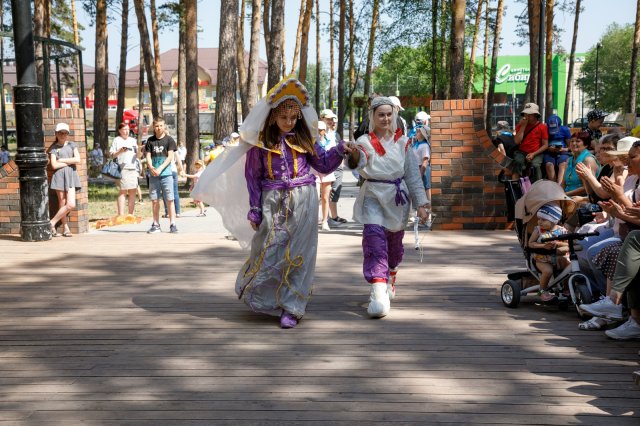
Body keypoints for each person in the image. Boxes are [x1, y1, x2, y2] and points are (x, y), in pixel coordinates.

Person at [235, 77, 345, 328]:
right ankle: (268, 299)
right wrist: (254, 210)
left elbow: (324, 164)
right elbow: (253, 176)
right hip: (272, 201)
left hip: (304, 198)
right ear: (273, 116)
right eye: (284, 117)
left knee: (301, 253)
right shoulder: (260, 144)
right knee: (268, 248)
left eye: (294, 117)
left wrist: (340, 149)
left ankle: (293, 306)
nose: (289, 122)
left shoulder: (305, 140)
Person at [345, 96, 430, 318]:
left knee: (393, 246)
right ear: (373, 116)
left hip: (397, 198)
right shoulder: (364, 141)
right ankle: (377, 289)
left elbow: (412, 174)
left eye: (388, 114)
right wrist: (353, 154)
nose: (385, 118)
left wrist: (421, 203)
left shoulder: (403, 143)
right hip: (373, 194)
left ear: (394, 116)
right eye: (380, 114)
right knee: (374, 239)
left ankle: (391, 273)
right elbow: (358, 162)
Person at [527, 203, 570, 302]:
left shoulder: (562, 231)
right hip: (542, 259)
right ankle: (542, 291)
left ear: (554, 220)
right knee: (548, 271)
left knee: (569, 269)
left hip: (559, 258)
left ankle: (566, 288)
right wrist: (543, 246)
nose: (540, 222)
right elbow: (530, 243)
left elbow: (568, 244)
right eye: (539, 219)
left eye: (543, 220)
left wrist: (558, 243)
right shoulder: (538, 230)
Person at [145, 117, 178, 234]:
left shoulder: (169, 140)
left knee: (170, 199)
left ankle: (173, 223)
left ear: (164, 126)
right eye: (156, 126)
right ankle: (156, 224)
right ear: (154, 127)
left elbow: (170, 157)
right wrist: (151, 167)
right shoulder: (150, 141)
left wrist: (160, 168)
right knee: (154, 200)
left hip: (166, 174)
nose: (159, 128)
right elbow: (148, 156)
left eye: (160, 126)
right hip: (154, 175)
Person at [47, 122, 81, 237]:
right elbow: (54, 166)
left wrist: (61, 160)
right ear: (56, 133)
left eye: (65, 133)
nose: (62, 135)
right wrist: (67, 162)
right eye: (60, 132)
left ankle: (51, 222)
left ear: (68, 134)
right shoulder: (53, 148)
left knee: (70, 204)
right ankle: (65, 228)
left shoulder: (72, 145)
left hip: (71, 176)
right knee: (62, 203)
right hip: (59, 176)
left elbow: (77, 159)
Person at [320, 109, 348, 226]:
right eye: (328, 119)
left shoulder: (335, 134)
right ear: (322, 119)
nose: (331, 121)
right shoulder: (318, 133)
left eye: (332, 119)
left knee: (335, 191)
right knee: (324, 194)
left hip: (337, 167)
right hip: (323, 167)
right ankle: (325, 219)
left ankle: (334, 216)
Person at [512, 103, 548, 182]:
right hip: (521, 152)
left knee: (535, 166)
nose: (527, 116)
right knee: (517, 162)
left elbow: (545, 145)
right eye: (526, 114)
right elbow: (517, 141)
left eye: (530, 114)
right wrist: (523, 127)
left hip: (536, 152)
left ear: (535, 115)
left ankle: (537, 186)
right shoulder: (520, 125)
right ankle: (515, 184)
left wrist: (533, 154)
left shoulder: (542, 127)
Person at [109, 123, 139, 216]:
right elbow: (112, 155)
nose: (126, 131)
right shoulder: (117, 140)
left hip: (133, 168)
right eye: (124, 129)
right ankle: (121, 215)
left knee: (133, 190)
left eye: (128, 129)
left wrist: (140, 150)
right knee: (123, 191)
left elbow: (138, 155)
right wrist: (120, 151)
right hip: (123, 168)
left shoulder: (133, 140)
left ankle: (131, 214)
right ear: (120, 130)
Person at [315, 120, 336, 231]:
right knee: (315, 196)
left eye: (321, 130)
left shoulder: (330, 140)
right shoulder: (312, 141)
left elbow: (333, 154)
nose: (319, 132)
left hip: (327, 171)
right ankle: (314, 221)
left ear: (324, 131)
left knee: (325, 197)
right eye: (317, 130)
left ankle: (324, 221)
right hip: (314, 171)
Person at [563, 131, 599, 196]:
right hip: (566, 196)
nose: (574, 143)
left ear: (586, 145)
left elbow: (591, 187)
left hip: (582, 198)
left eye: (578, 141)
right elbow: (563, 183)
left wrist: (565, 194)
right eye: (572, 141)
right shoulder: (569, 160)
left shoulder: (588, 160)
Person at [412, 125, 432, 224]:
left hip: (423, 170)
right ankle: (419, 217)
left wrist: (420, 174)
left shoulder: (424, 145)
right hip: (416, 169)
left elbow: (425, 161)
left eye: (419, 131)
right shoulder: (416, 144)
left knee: (426, 194)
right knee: (418, 193)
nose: (416, 133)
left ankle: (426, 217)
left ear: (423, 135)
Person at [544, 114, 572, 184]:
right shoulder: (545, 130)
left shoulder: (565, 130)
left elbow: (570, 146)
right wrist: (548, 148)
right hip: (549, 152)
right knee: (549, 165)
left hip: (563, 152)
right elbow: (543, 144)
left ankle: (560, 185)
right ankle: (553, 185)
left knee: (563, 164)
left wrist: (563, 149)